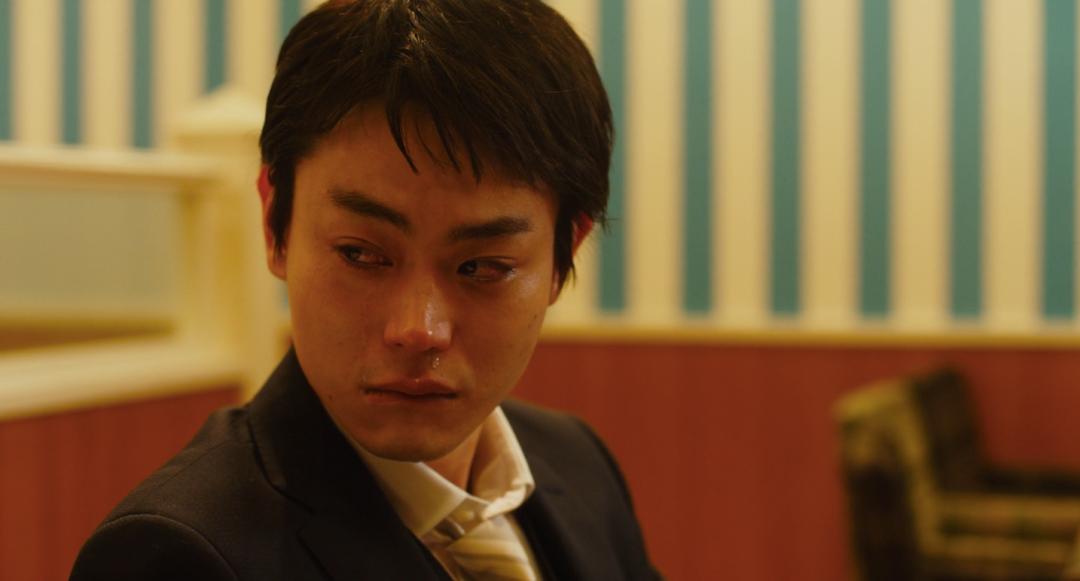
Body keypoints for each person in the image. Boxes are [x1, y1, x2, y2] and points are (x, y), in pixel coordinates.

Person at [71, 0, 659, 579]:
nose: (418, 329)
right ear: (276, 225)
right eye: (360, 254)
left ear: (563, 255)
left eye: (482, 267)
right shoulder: (178, 555)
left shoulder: (578, 464)